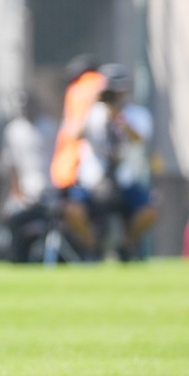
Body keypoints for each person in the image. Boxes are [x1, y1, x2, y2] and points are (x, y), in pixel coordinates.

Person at [62, 63, 157, 261]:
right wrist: (90, 105)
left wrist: (119, 119)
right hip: (93, 180)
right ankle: (93, 248)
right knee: (73, 210)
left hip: (124, 180)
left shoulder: (136, 114)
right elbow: (73, 134)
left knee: (149, 211)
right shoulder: (91, 112)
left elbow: (140, 139)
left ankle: (126, 248)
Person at [0, 91, 58, 263]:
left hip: (48, 192)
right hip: (23, 193)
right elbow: (12, 166)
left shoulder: (49, 127)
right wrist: (16, 194)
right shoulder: (13, 130)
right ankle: (16, 259)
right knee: (11, 220)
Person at [50, 54, 105, 194]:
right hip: (101, 168)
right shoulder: (102, 83)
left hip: (76, 167)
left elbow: (75, 131)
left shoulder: (78, 89)